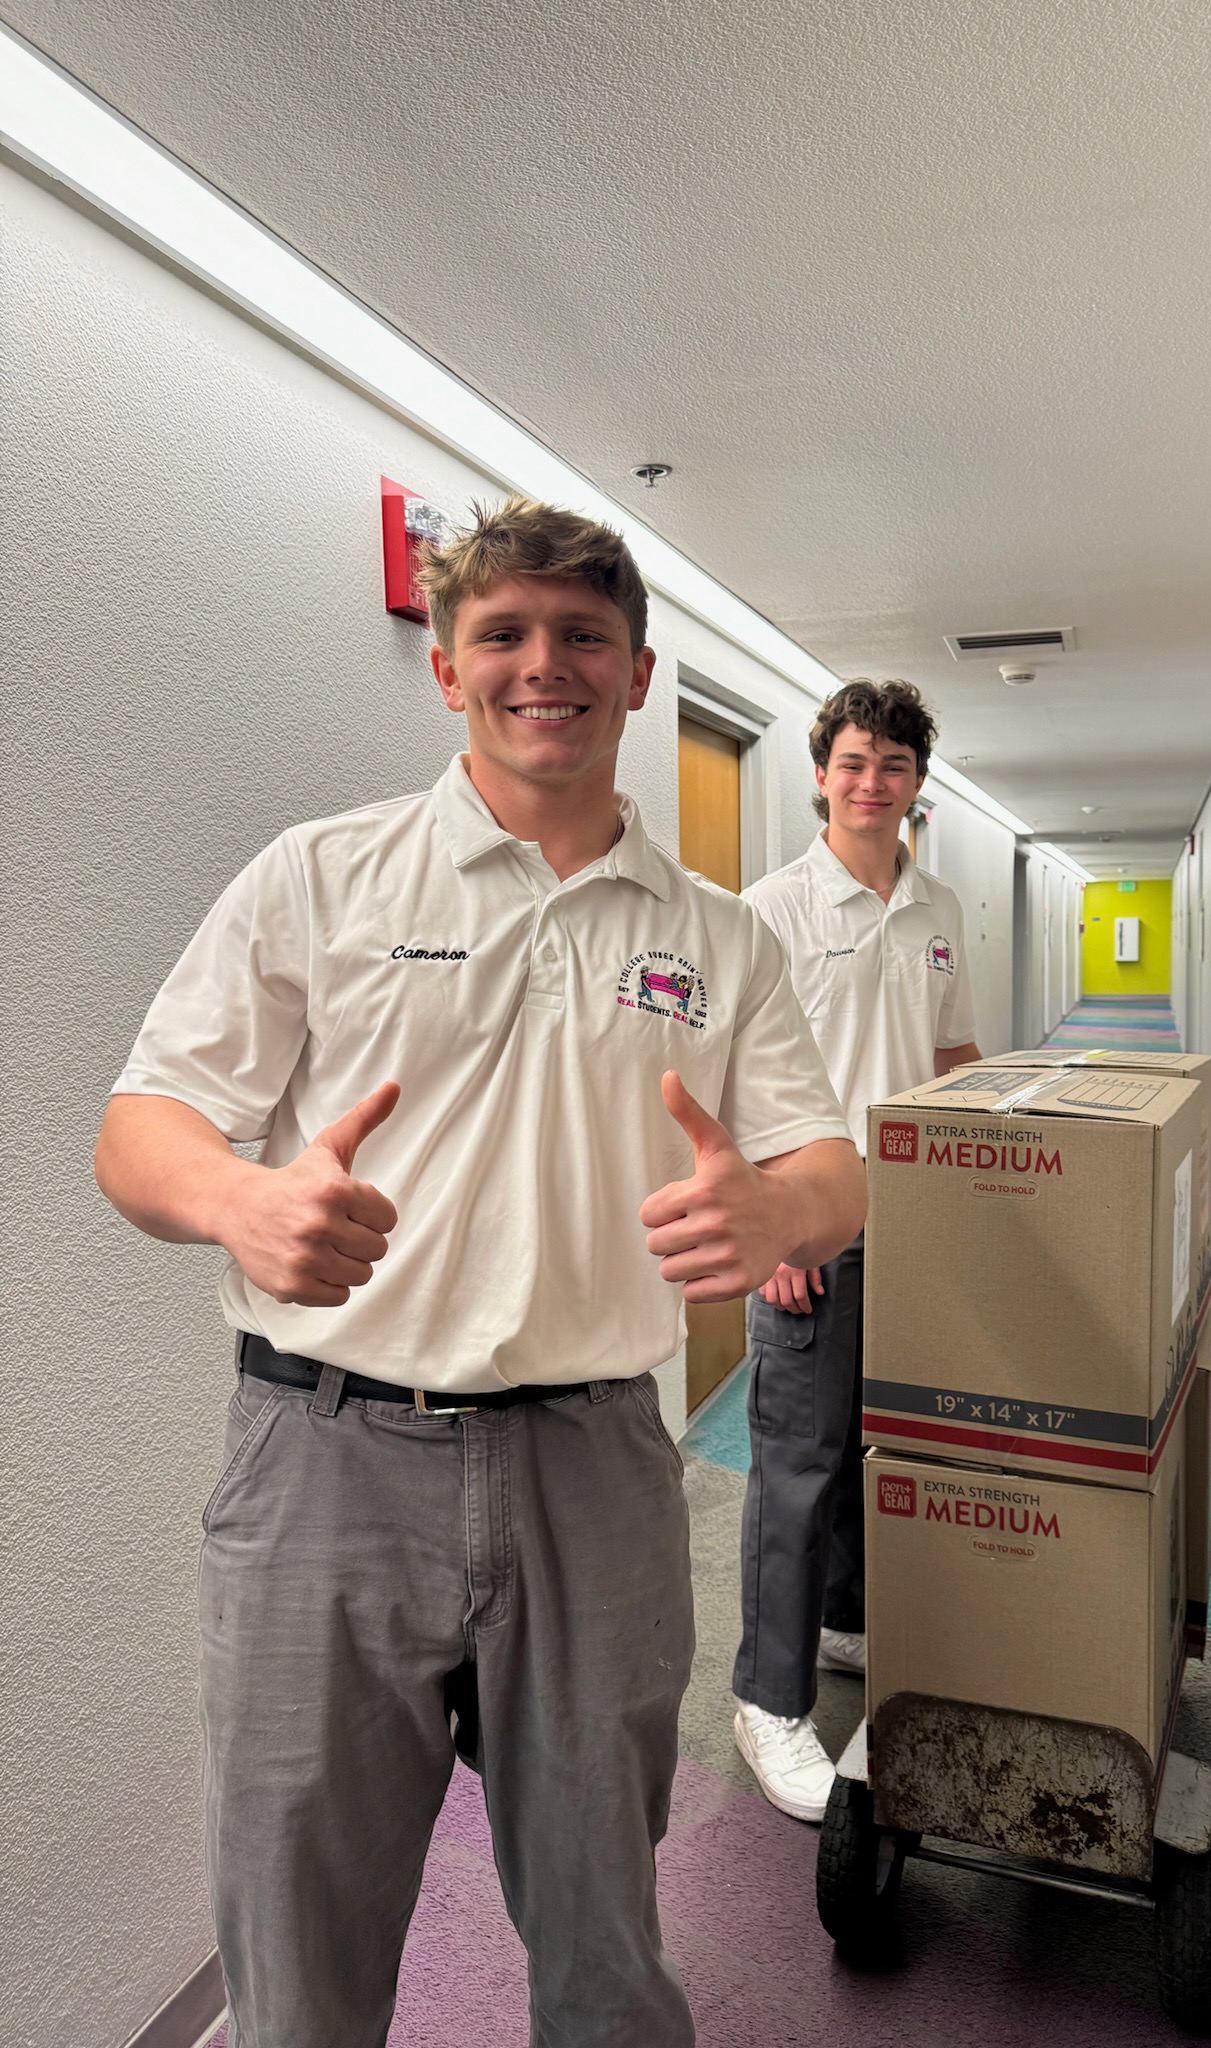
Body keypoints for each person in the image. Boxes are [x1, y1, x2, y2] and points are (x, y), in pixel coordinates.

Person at [93, 497, 866, 2048]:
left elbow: (829, 1162)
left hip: (593, 1458)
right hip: (324, 1458)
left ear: (641, 675)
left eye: (583, 636)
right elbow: (142, 1125)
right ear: (447, 669)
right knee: (295, 1938)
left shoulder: (722, 940)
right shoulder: (323, 878)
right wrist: (241, 1203)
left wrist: (783, 1221)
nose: (543, 666)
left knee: (605, 1933)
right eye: (502, 634)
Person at [730, 680, 982, 1821]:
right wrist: (771, 1222)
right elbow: (727, 1072)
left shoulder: (937, 908)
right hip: (812, 1226)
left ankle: (841, 1627)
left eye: (893, 763)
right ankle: (767, 1700)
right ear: (820, 772)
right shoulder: (772, 907)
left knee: (879, 1443)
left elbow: (960, 1052)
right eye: (852, 760)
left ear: (919, 779)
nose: (871, 781)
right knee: (797, 1461)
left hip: (916, 1223)